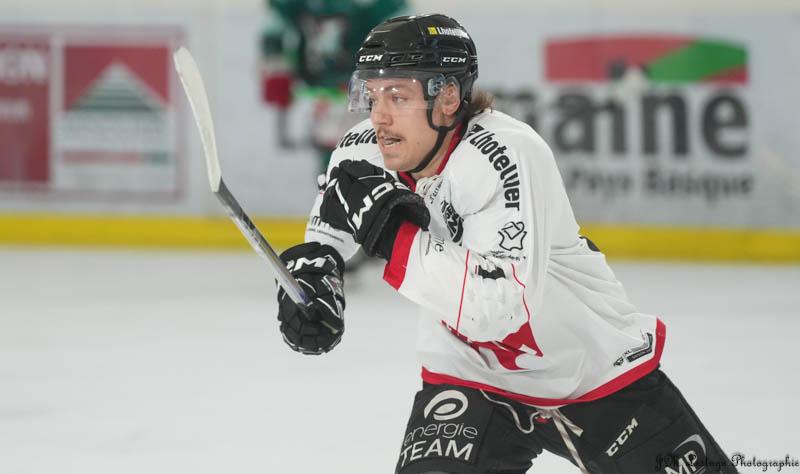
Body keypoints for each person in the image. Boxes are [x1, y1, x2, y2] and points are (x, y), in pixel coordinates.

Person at [275, 14, 738, 474]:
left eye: (398, 96)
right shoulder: (360, 151)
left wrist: (391, 234)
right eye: (372, 95)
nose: (379, 116)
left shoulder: (506, 153)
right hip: (469, 377)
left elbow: (500, 307)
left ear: (447, 98)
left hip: (594, 374)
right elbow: (328, 235)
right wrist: (315, 282)